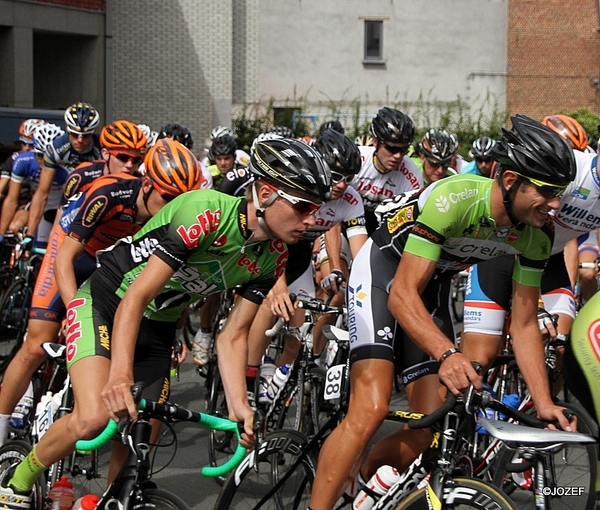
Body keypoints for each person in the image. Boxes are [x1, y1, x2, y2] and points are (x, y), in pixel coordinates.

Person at [308, 115, 576, 510]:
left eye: (561, 192)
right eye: (547, 191)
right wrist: (447, 354)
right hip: (383, 273)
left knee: (426, 428)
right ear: (510, 180)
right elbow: (401, 294)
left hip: (430, 287)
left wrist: (543, 402)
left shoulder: (538, 234)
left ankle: (367, 491)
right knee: (373, 407)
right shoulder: (454, 198)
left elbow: (521, 325)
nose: (556, 204)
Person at [0, 137, 206, 506]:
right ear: (146, 185)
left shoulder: (186, 223)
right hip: (76, 260)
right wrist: (73, 309)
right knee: (36, 345)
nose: (178, 209)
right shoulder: (110, 194)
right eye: (168, 199)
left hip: (121, 280)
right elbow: (66, 257)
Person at [0, 121, 149, 446]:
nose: (131, 165)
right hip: (71, 252)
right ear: (107, 153)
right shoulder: (84, 177)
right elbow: (62, 239)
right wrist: (72, 309)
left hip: (106, 265)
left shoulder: (143, 191)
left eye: (137, 159)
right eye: (124, 157)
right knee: (36, 346)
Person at [244, 131, 367, 404]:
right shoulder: (301, 186)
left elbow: (359, 253)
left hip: (296, 255)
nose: (342, 185)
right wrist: (277, 289)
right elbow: (268, 237)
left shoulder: (350, 201)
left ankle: (278, 380)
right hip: (266, 247)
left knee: (301, 327)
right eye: (336, 177)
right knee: (270, 303)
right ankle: (249, 379)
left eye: (349, 178)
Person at [25, 103, 101, 244]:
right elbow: (42, 193)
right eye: (74, 134)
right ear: (67, 129)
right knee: (51, 241)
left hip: (92, 197)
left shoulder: (101, 148)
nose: (80, 140)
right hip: (64, 198)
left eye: (86, 135)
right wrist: (29, 235)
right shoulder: (57, 149)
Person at [351, 107, 422, 234]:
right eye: (392, 149)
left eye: (404, 150)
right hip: (349, 221)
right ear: (375, 142)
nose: (398, 156)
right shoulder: (356, 160)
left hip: (384, 228)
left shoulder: (412, 175)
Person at [0, 123, 65, 248]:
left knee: (54, 244)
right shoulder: (22, 161)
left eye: (49, 157)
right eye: (40, 155)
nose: (44, 161)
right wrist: (1, 234)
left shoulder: (65, 169)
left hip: (60, 208)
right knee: (15, 230)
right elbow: (12, 199)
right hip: (38, 206)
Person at [0, 119, 45, 198]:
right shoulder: (14, 159)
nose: (27, 148)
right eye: (24, 143)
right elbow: (1, 187)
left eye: (31, 145)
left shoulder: (51, 160)